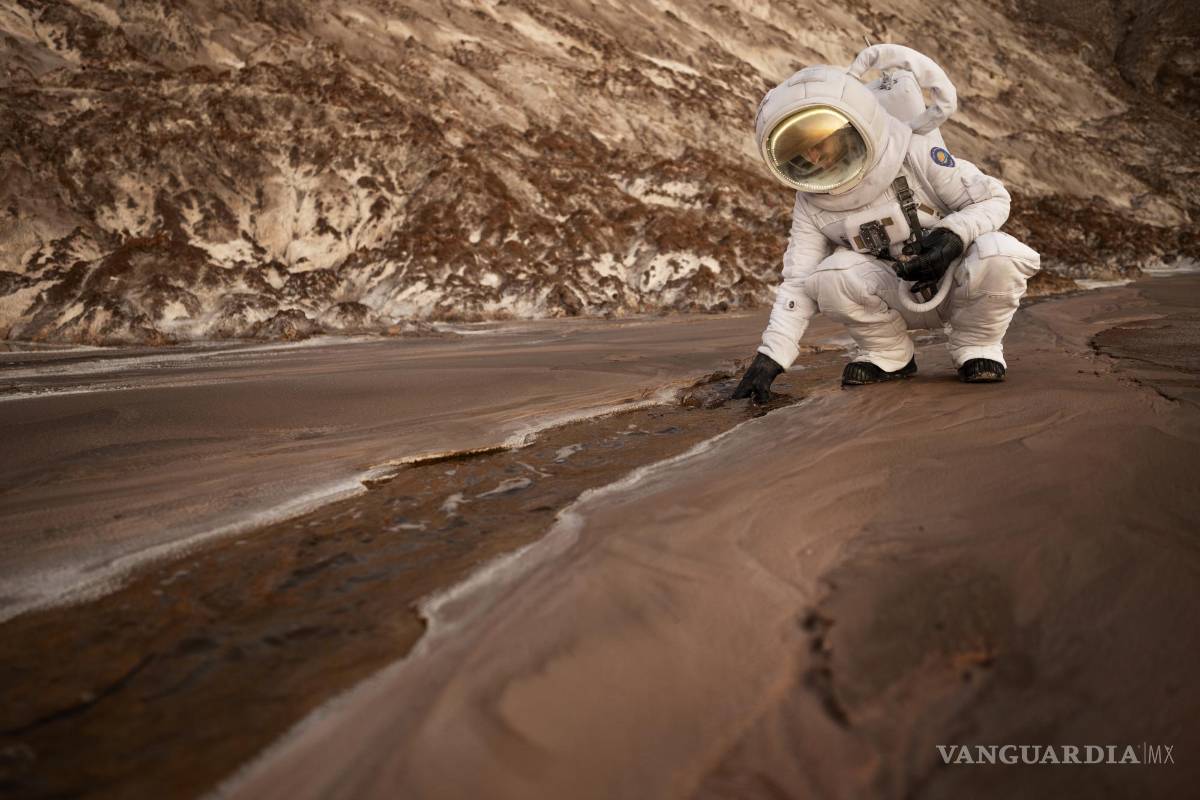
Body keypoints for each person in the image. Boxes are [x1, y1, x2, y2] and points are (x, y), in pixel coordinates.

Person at [732, 46, 1041, 404]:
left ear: (852, 125)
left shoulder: (913, 151)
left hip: (954, 280)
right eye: (800, 150)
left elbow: (994, 199)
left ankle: (978, 345)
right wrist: (771, 357)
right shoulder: (812, 201)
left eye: (820, 142)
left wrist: (952, 238)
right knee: (828, 278)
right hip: (893, 290)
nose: (812, 156)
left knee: (999, 254)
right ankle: (889, 354)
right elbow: (799, 282)